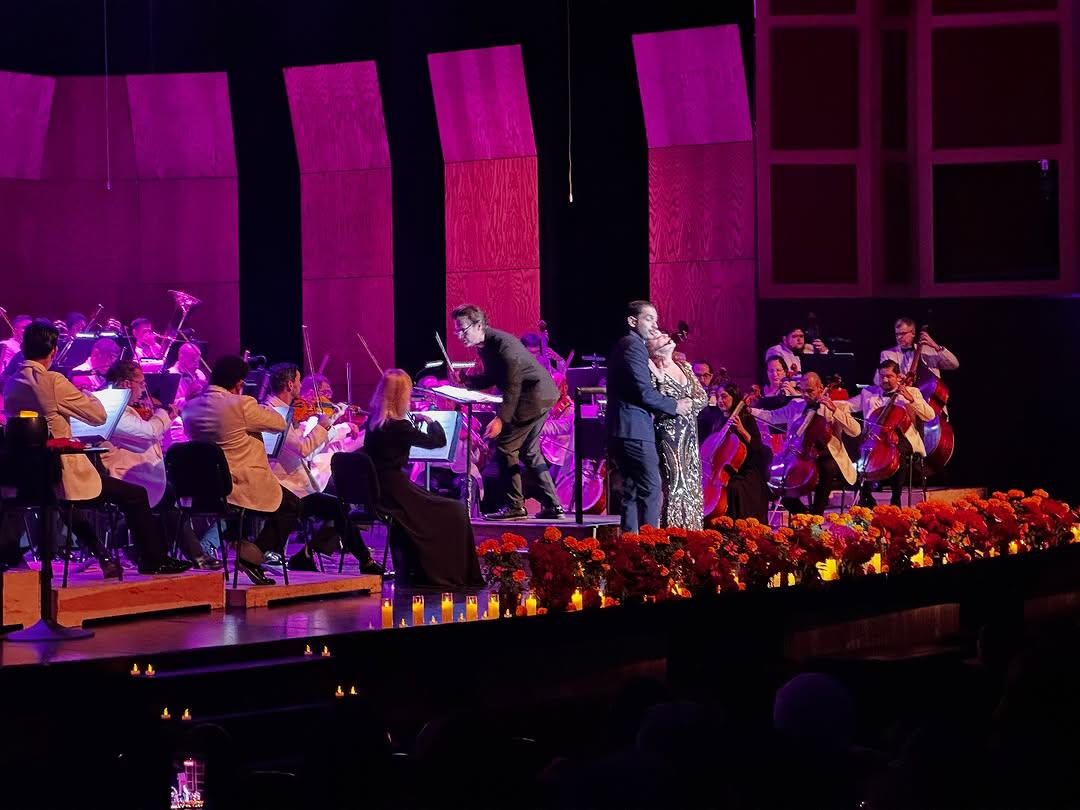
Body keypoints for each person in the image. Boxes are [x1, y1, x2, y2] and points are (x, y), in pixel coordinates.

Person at [2, 322, 190, 577]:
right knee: (135, 494)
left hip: (29, 473)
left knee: (74, 501)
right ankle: (152, 560)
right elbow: (98, 415)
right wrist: (86, 395)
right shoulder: (53, 381)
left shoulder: (12, 383)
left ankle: (105, 555)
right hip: (60, 471)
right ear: (54, 351)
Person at [363, 368, 483, 588]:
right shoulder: (400, 426)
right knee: (455, 511)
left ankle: (423, 567)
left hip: (381, 488)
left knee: (443, 508)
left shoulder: (374, 422)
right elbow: (437, 442)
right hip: (395, 491)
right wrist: (430, 421)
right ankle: (448, 572)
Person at [182, 355, 296, 585]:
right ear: (239, 383)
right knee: (293, 505)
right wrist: (252, 402)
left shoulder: (189, 407)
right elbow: (279, 423)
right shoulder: (241, 404)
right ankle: (252, 557)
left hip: (205, 489)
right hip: (240, 484)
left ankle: (240, 545)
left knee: (238, 517)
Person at [100, 360, 222, 569]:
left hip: (140, 473)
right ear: (126, 383)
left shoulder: (128, 409)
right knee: (168, 497)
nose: (144, 390)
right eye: (141, 383)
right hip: (125, 475)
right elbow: (148, 432)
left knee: (169, 500)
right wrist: (163, 414)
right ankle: (166, 556)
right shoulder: (112, 409)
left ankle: (169, 555)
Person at [263, 362, 382, 574]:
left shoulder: (286, 411)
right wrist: (323, 425)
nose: (300, 385)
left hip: (297, 485)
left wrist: (328, 421)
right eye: (298, 381)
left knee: (339, 508)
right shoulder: (275, 413)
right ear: (290, 385)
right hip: (285, 487)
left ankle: (312, 555)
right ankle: (364, 561)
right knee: (338, 506)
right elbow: (304, 449)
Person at [451, 303, 564, 521]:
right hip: (539, 395)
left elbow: (513, 385)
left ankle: (515, 507)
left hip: (533, 396)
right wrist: (468, 380)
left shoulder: (504, 345)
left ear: (479, 325)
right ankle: (553, 505)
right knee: (529, 452)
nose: (460, 336)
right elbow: (494, 377)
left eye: (463, 330)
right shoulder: (485, 345)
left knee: (506, 447)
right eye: (457, 331)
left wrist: (501, 419)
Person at [606, 300, 691, 534]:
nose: (655, 325)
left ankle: (631, 542)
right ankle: (649, 544)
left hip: (622, 429)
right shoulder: (634, 346)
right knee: (651, 489)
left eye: (656, 319)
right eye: (649, 319)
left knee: (632, 490)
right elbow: (643, 392)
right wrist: (675, 406)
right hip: (633, 429)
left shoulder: (628, 345)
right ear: (632, 321)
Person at [751, 372, 860, 515]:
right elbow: (772, 416)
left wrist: (834, 410)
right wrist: (750, 410)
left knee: (826, 467)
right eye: (802, 391)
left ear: (821, 388)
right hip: (801, 456)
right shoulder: (795, 405)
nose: (805, 395)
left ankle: (818, 514)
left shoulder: (837, 407)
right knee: (777, 483)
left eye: (809, 391)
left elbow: (855, 431)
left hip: (828, 457)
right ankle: (805, 516)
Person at [849, 359, 936, 507]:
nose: (884, 380)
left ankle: (896, 499)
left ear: (898, 376)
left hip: (904, 437)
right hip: (878, 437)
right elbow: (850, 406)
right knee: (861, 454)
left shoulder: (912, 392)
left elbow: (930, 415)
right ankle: (866, 498)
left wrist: (910, 399)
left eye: (889, 376)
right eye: (882, 376)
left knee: (898, 452)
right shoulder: (870, 394)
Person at [646, 332, 706, 530]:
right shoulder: (652, 370)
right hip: (668, 433)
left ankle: (693, 531)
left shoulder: (685, 366)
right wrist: (674, 407)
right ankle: (672, 533)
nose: (666, 337)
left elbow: (702, 398)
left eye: (665, 335)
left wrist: (685, 406)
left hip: (690, 432)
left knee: (692, 482)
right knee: (674, 482)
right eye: (659, 337)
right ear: (651, 348)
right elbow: (653, 402)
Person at [714, 383, 770, 522]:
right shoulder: (719, 420)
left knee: (734, 487)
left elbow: (758, 447)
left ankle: (737, 526)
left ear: (734, 397)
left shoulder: (746, 418)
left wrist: (742, 430)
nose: (720, 400)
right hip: (726, 470)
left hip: (746, 471)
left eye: (724, 396)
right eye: (717, 396)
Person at [880, 317, 958, 378]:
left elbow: (954, 365)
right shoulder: (887, 354)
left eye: (903, 333)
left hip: (930, 392)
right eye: (897, 334)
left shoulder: (929, 350)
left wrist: (936, 346)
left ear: (913, 333)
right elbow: (881, 379)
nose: (899, 337)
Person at [764, 326, 828, 375]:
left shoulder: (809, 348)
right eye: (794, 336)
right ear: (785, 339)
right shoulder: (775, 350)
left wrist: (823, 351)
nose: (799, 339)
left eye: (801, 336)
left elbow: (824, 369)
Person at [169, 342, 208, 409]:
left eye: (198, 361)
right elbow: (170, 404)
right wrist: (192, 399)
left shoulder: (200, 374)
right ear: (181, 357)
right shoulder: (170, 376)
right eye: (193, 360)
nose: (197, 365)